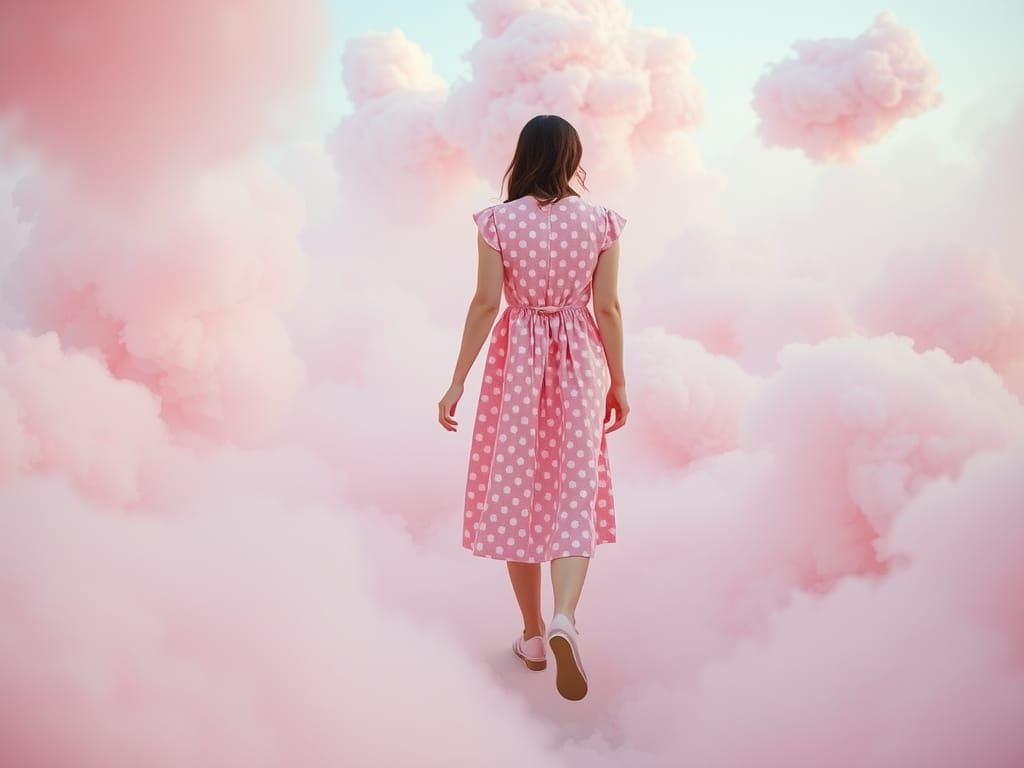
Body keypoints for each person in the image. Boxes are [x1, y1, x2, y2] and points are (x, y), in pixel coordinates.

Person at [438, 114, 628, 701]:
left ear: (523, 155)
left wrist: (457, 381)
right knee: (574, 488)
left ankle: (533, 634)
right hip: (580, 360)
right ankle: (566, 615)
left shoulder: (497, 222)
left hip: (517, 362)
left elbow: (485, 303)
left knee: (517, 491)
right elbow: (608, 308)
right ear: (573, 158)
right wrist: (619, 381)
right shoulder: (601, 222)